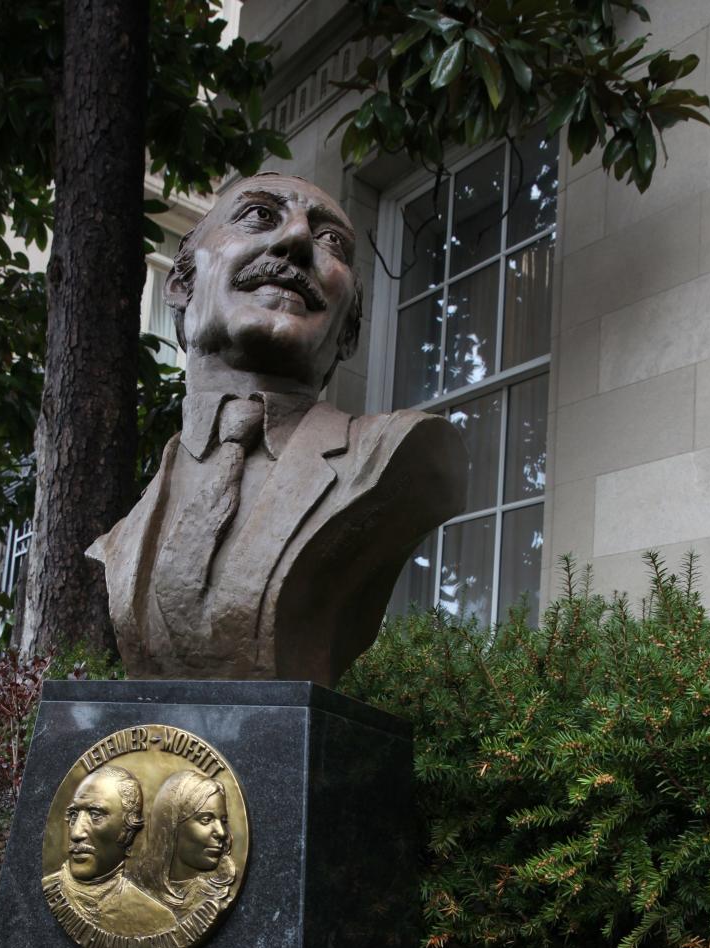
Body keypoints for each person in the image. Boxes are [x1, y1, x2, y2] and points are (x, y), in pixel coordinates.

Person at [87, 172, 466, 685]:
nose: (294, 241)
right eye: (259, 215)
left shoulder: (398, 456)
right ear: (181, 284)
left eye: (331, 240)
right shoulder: (125, 534)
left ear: (349, 330)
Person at [42, 766, 175, 938]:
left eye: (96, 815)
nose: (76, 833)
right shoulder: (49, 889)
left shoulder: (158, 920)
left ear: (128, 831)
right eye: (74, 815)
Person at [136, 771, 236, 919]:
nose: (222, 833)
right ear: (172, 826)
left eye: (223, 820)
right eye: (206, 820)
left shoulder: (212, 899)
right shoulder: (132, 895)